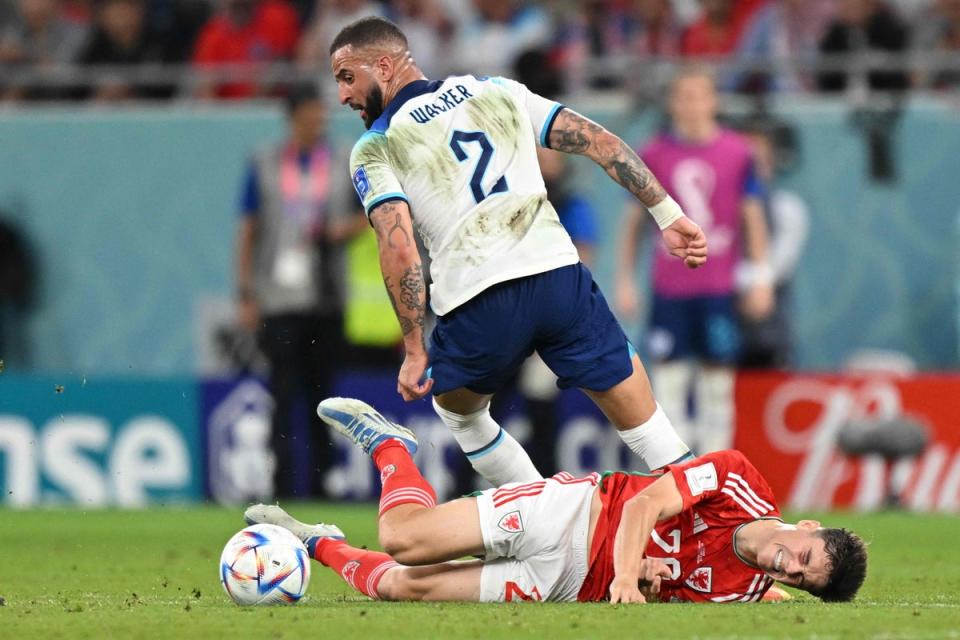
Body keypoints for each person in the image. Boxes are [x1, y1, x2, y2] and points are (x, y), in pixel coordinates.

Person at [328, 16, 708, 490]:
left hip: (479, 299)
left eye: (347, 77)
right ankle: (729, 531)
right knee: (650, 428)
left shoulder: (375, 147)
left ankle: (541, 521)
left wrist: (411, 347)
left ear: (383, 66)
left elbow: (398, 246)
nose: (343, 95)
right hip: (558, 280)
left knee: (459, 414)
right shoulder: (495, 90)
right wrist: (668, 214)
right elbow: (599, 141)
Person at [245, 397, 868, 603]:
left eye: (802, 579)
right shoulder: (739, 484)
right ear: (807, 525)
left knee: (401, 588)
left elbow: (689, 588)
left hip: (566, 586)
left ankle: (314, 542)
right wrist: (630, 573)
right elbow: (643, 508)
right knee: (403, 540)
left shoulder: (750, 591)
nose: (789, 566)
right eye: (804, 554)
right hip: (572, 513)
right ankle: (389, 447)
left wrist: (649, 581)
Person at [616, 67, 773, 455]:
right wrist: (624, 278)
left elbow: (751, 216)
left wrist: (761, 276)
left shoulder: (739, 153)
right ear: (672, 103)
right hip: (670, 289)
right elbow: (634, 220)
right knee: (669, 385)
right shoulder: (653, 153)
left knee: (717, 385)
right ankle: (680, 476)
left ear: (713, 101)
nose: (691, 105)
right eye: (683, 96)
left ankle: (717, 476)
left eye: (698, 95)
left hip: (718, 288)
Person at [235, 83, 367, 498]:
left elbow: (370, 214)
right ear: (292, 118)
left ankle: (324, 484)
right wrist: (246, 292)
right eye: (310, 115)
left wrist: (338, 231)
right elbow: (248, 230)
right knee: (282, 394)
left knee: (324, 397)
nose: (318, 122)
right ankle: (281, 487)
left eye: (321, 115)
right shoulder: (265, 163)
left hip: (327, 298)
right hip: (279, 299)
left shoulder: (345, 158)